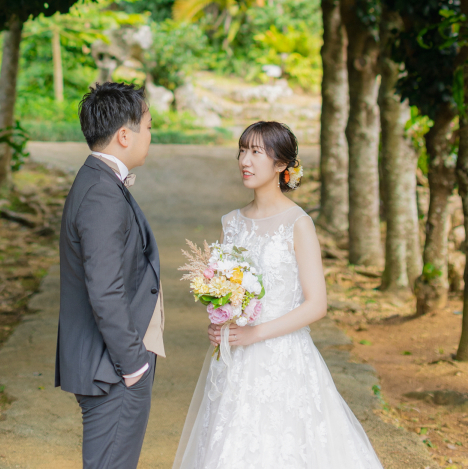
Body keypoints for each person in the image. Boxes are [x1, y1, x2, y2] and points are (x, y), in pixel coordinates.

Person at [173, 120, 383, 469]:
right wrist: (220, 320)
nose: (245, 160)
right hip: (235, 357)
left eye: (256, 152)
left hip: (283, 357)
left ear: (282, 164)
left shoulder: (298, 223)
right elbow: (226, 290)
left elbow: (317, 304)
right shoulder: (231, 222)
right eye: (242, 150)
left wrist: (257, 333)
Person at [56, 82, 165, 469]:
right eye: (149, 126)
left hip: (109, 365)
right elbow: (104, 290)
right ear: (124, 135)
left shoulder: (97, 181)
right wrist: (134, 364)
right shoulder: (102, 193)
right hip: (114, 369)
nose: (151, 135)